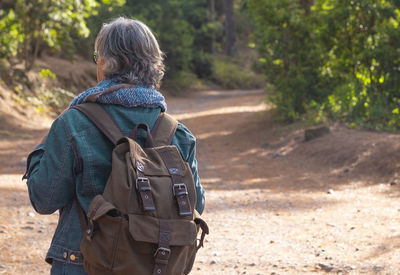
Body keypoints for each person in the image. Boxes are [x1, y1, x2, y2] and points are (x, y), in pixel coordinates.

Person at [23, 17, 205, 274]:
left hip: (81, 262)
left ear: (104, 63)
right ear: (154, 65)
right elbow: (197, 205)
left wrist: (42, 147)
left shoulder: (73, 122)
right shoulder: (178, 133)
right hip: (154, 264)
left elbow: (43, 199)